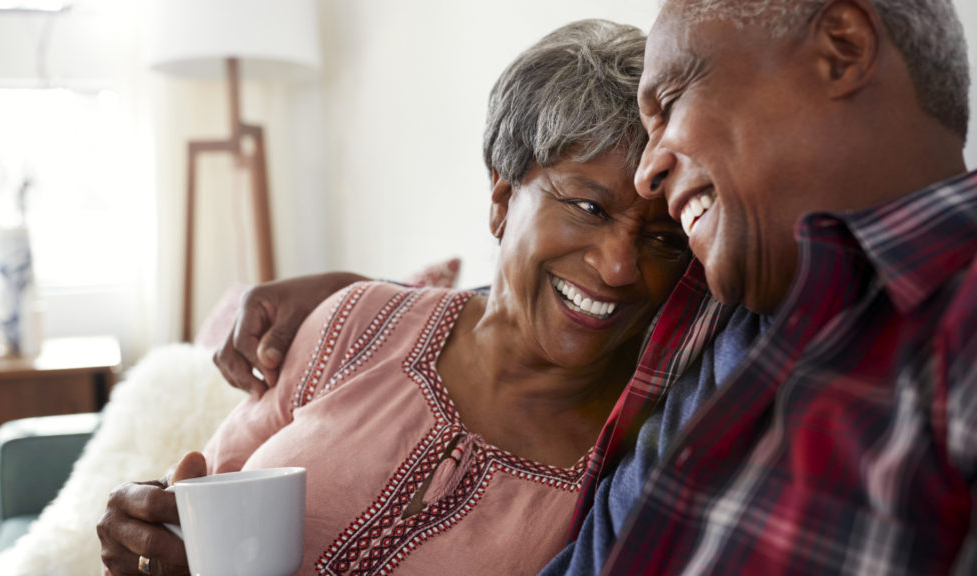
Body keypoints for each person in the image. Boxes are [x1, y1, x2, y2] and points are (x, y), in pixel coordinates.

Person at [220, 0, 977, 574]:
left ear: (841, 51)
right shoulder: (728, 313)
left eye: (672, 98)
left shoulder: (943, 324)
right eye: (588, 204)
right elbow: (505, 317)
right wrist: (346, 303)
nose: (652, 169)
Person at [98, 19, 696, 576]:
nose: (620, 266)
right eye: (588, 207)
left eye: (663, 238)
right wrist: (151, 535)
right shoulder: (356, 321)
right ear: (502, 195)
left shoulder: (638, 463)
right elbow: (204, 498)